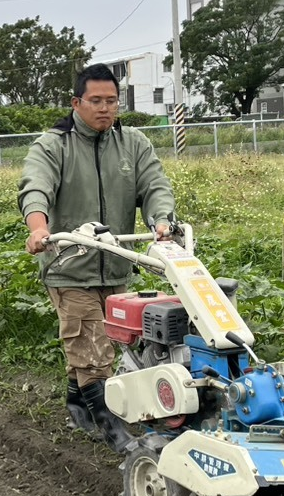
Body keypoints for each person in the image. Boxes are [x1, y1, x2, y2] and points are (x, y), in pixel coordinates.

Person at [18, 64, 176, 452]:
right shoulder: (53, 145)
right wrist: (38, 229)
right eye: (96, 101)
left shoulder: (134, 143)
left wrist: (161, 221)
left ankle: (78, 403)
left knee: (101, 340)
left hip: (116, 262)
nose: (105, 109)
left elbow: (154, 186)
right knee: (93, 348)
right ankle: (119, 436)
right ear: (77, 102)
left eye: (111, 101)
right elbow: (35, 188)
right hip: (68, 267)